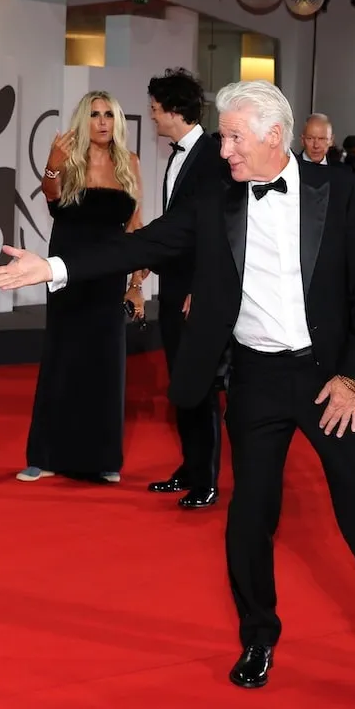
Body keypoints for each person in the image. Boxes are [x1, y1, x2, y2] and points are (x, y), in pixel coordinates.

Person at [0, 80, 355, 692]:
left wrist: (354, 379)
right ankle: (258, 637)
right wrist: (54, 266)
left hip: (332, 381)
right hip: (258, 377)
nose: (225, 151)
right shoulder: (217, 197)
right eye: (223, 137)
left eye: (234, 138)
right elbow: (146, 242)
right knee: (251, 515)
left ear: (274, 135)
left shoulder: (341, 191)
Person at [16, 90, 142, 485]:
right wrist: (52, 167)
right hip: (67, 270)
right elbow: (53, 201)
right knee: (62, 359)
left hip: (110, 275)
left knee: (105, 364)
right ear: (82, 120)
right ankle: (46, 455)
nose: (102, 121)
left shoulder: (130, 163)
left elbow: (136, 228)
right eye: (94, 114)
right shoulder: (68, 159)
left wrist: (137, 284)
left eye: (109, 114)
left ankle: (102, 458)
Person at [141, 68, 224, 509]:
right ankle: (191, 467)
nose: (152, 117)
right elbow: (177, 226)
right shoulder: (179, 155)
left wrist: (200, 288)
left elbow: (216, 233)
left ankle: (206, 478)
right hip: (173, 287)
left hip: (195, 292)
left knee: (200, 384)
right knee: (182, 382)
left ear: (174, 110)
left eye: (155, 110)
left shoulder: (212, 157)